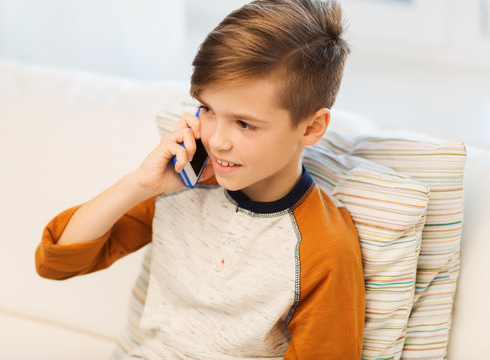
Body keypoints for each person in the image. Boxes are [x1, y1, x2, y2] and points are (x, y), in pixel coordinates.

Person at [35, 0, 365, 358]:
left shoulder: (324, 248)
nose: (217, 140)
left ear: (312, 127)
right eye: (207, 110)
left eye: (244, 124)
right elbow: (56, 263)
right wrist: (140, 185)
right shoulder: (179, 187)